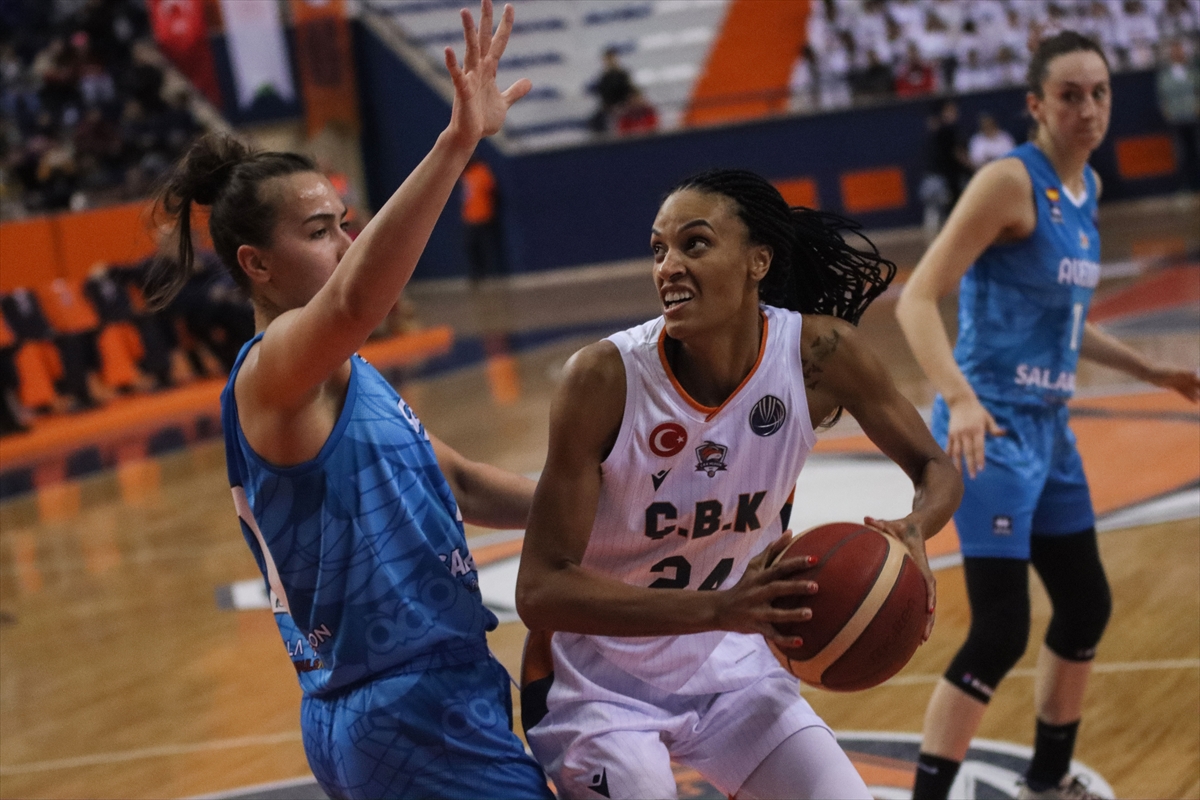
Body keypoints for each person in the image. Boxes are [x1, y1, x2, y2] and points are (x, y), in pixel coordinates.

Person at [147, 3, 552, 799]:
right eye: (320, 231)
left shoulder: (343, 372)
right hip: (405, 711)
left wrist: (609, 508)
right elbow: (356, 301)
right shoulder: (272, 372)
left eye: (344, 223)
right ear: (257, 265)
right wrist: (455, 144)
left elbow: (461, 484)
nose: (345, 242)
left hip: (415, 698)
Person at [515, 169, 963, 800]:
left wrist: (915, 528)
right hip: (598, 686)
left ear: (759, 261)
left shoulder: (818, 355)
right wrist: (719, 608)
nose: (669, 266)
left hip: (734, 670)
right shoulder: (603, 379)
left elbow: (936, 468)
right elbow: (539, 590)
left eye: (694, 243)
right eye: (659, 249)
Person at [896, 31, 1200, 800]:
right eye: (1070, 95)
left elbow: (1067, 321)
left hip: (1050, 430)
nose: (1088, 108)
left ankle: (1047, 780)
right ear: (1036, 105)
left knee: (1086, 604)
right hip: (989, 431)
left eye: (1099, 92)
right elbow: (917, 298)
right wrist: (960, 396)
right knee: (1000, 629)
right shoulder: (1008, 182)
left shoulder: (1087, 187)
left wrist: (1151, 370)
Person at [1155, 38, 1200, 192]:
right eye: (1175, 50)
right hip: (1176, 119)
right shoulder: (1165, 75)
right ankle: (1185, 185)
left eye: (1180, 50)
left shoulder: (1193, 71)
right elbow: (1162, 96)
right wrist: (1167, 112)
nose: (1178, 53)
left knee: (1197, 149)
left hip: (1194, 116)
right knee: (1181, 153)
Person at [459, 155, 505, 283]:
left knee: (486, 248)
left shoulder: (482, 171)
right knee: (471, 247)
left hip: (483, 216)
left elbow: (493, 190)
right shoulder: (465, 175)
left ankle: (490, 274)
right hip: (469, 217)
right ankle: (476, 274)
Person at [587, 47, 634, 133]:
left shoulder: (622, 74)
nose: (609, 61)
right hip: (609, 108)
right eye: (607, 59)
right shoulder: (604, 77)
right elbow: (603, 95)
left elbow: (628, 91)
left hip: (623, 106)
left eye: (611, 58)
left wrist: (623, 105)